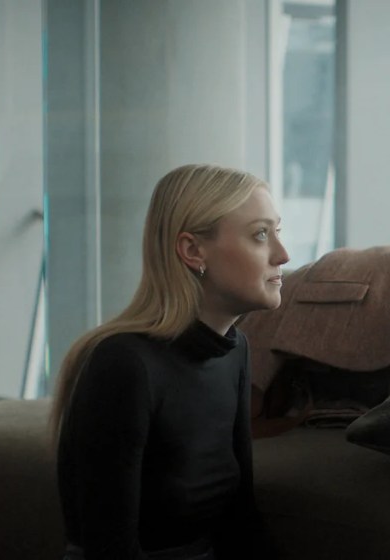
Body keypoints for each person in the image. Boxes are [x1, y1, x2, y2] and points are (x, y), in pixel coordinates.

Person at [50, 164, 290, 559]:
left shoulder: (235, 350)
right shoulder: (122, 364)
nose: (283, 255)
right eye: (260, 234)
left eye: (277, 232)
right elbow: (108, 547)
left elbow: (241, 520)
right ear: (193, 251)